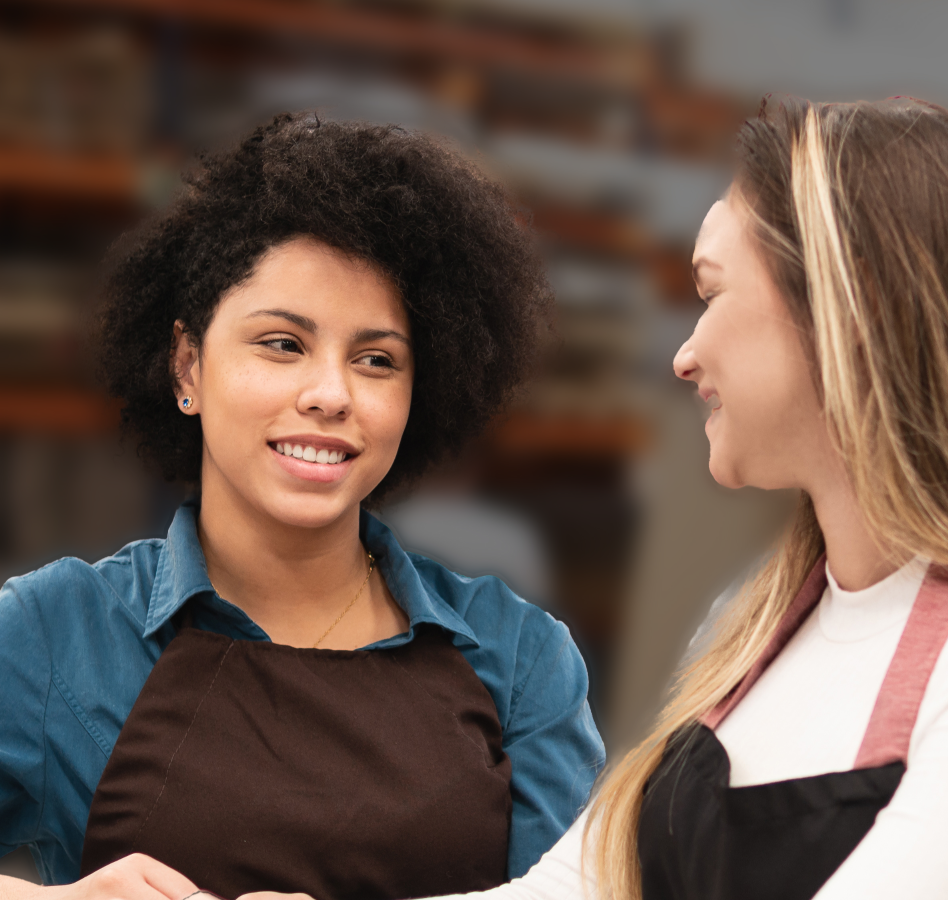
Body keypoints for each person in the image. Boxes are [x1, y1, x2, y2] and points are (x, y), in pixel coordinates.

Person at [421, 96, 948, 900]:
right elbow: (569, 890)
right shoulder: (743, 635)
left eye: (710, 291)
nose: (685, 356)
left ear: (850, 303)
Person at [0, 114, 604, 900]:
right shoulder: (56, 633)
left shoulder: (520, 661)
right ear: (188, 363)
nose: (331, 394)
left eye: (376, 360)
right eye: (282, 343)